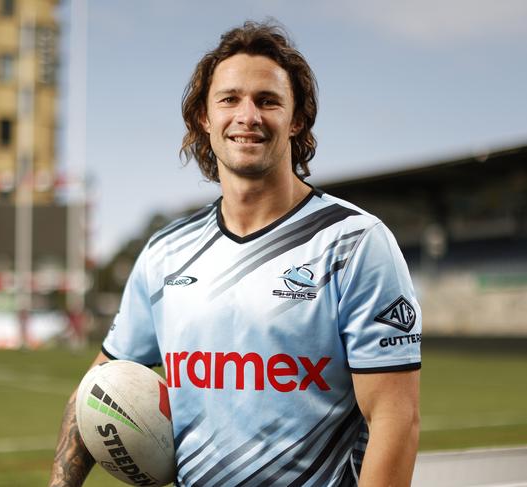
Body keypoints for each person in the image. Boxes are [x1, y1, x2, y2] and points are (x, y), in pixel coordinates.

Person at [49, 20, 421, 487]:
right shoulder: (165, 253)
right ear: (204, 118)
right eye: (229, 99)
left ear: (296, 119)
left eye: (268, 100)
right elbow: (95, 390)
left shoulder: (355, 243)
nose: (248, 116)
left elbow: (395, 420)